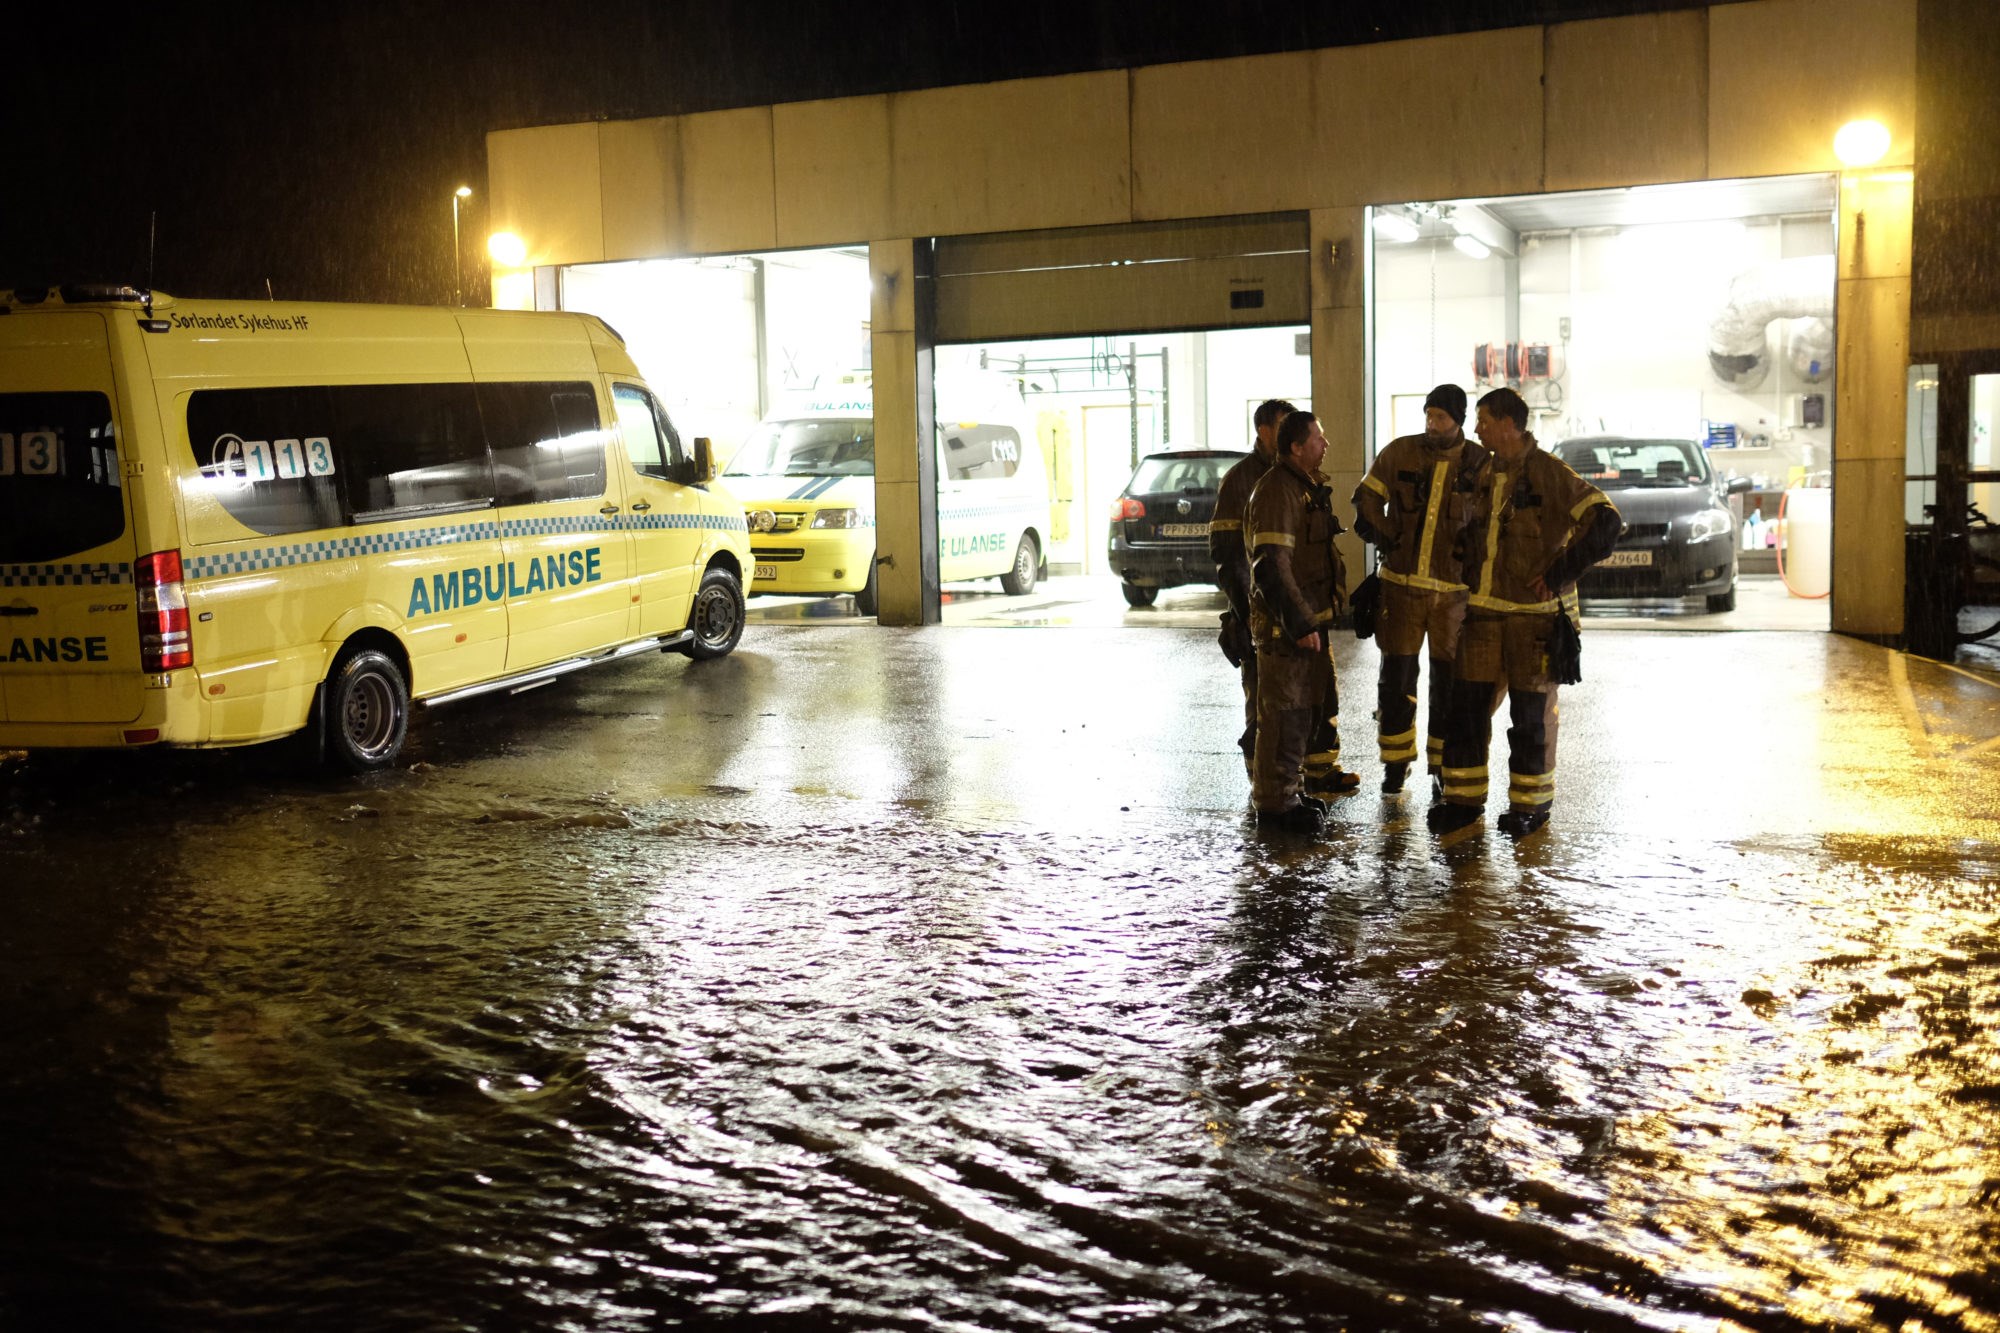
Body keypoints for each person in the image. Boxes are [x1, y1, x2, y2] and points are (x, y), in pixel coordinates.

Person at [1428, 388, 1621, 838]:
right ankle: (1462, 800)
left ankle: (1529, 808)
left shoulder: (1551, 473)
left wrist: (1559, 573)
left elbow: (1607, 522)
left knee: (1530, 719)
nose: (1476, 430)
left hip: (1533, 622)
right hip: (1481, 617)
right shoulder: (1480, 472)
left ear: (1510, 425)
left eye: (1484, 421)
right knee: (1467, 713)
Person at [1352, 384, 1490, 796]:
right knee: (1396, 681)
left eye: (1440, 418)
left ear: (1458, 420)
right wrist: (1386, 533)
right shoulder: (1399, 452)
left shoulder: (1481, 464)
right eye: (1428, 415)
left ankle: (1442, 765)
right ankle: (1395, 764)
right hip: (1401, 589)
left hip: (1453, 595)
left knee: (1448, 685)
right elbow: (1366, 499)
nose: (1432, 425)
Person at [1246, 410, 1359, 832]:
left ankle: (1287, 795)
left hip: (1305, 625)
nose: (1325, 445)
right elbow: (1270, 566)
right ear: (1296, 446)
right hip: (1285, 630)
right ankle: (1275, 808)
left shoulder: (1302, 487)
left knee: (1302, 714)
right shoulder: (1278, 492)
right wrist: (1299, 624)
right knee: (1283, 715)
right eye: (1318, 438)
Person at [1209, 398, 1296, 777]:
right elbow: (1227, 554)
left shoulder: (1291, 473)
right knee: (1260, 699)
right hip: (1257, 610)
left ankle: (1287, 778)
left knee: (1291, 700)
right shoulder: (1241, 480)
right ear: (1264, 431)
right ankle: (1260, 781)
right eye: (1284, 425)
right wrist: (1247, 614)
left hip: (1289, 609)